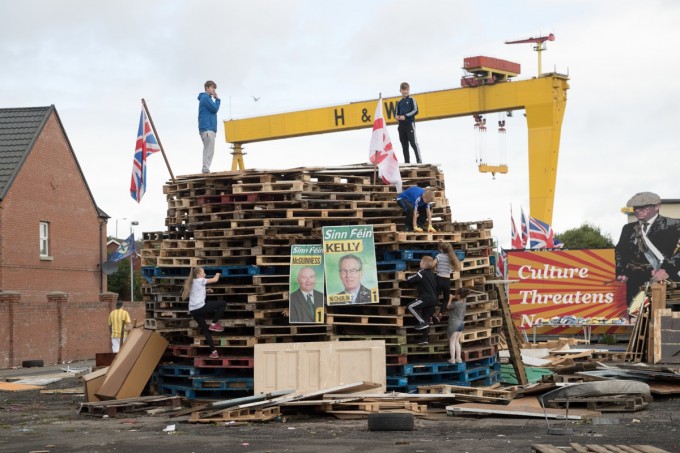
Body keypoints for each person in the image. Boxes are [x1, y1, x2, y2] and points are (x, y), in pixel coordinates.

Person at [615, 191, 680, 308]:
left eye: (643, 207)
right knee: (636, 318)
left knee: (665, 319)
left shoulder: (674, 224)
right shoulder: (628, 228)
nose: (637, 210)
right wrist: (621, 270)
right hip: (636, 282)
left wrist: (667, 269)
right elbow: (620, 251)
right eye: (635, 208)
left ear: (657, 206)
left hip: (665, 279)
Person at [181, 267, 225, 359]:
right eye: (203, 273)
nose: (204, 274)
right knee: (223, 304)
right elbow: (215, 280)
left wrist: (206, 291)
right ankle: (214, 324)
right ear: (198, 275)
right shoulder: (200, 280)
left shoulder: (192, 282)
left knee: (205, 330)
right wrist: (218, 273)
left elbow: (196, 292)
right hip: (200, 308)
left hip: (193, 310)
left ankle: (214, 352)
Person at [405, 255, 438, 345]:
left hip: (426, 298)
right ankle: (424, 339)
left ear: (423, 264)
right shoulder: (432, 274)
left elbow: (411, 280)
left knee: (410, 306)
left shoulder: (421, 273)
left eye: (420, 262)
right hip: (433, 299)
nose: (419, 263)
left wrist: (407, 278)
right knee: (426, 318)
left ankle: (421, 322)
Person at [433, 240, 462, 322]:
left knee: (435, 297)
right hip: (447, 281)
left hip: (439, 279)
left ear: (441, 249)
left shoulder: (439, 256)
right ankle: (440, 314)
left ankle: (431, 315)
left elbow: (433, 264)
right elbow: (453, 268)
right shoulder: (451, 257)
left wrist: (435, 268)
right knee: (446, 299)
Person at [197, 80, 221, 174]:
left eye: (214, 88)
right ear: (207, 88)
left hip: (208, 128)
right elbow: (215, 109)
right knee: (208, 149)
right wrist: (217, 100)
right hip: (207, 128)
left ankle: (206, 167)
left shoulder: (207, 98)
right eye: (212, 88)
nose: (213, 90)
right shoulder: (205, 98)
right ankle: (205, 168)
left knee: (210, 149)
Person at [395, 82, 422, 164]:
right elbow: (396, 114)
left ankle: (419, 161)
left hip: (410, 124)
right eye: (404, 90)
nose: (406, 91)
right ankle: (407, 162)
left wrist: (405, 116)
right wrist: (397, 117)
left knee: (413, 143)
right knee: (404, 145)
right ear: (400, 91)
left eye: (407, 89)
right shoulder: (399, 103)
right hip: (401, 126)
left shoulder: (411, 99)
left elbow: (416, 110)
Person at [447, 287, 471, 363]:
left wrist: (450, 298)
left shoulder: (456, 304)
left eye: (456, 294)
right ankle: (459, 358)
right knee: (457, 341)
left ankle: (452, 359)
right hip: (461, 323)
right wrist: (455, 296)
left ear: (459, 295)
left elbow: (448, 306)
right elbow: (460, 297)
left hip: (454, 323)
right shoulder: (464, 301)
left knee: (452, 342)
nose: (455, 295)